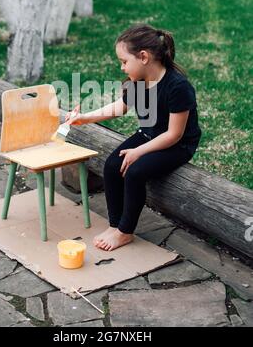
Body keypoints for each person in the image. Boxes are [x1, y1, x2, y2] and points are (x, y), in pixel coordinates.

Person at [65, 24, 202, 251]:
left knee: (135, 171)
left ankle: (125, 232)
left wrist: (139, 152)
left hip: (177, 145)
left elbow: (174, 134)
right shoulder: (138, 82)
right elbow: (120, 107)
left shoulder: (178, 87)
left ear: (144, 57)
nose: (121, 67)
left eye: (124, 61)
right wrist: (84, 118)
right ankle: (114, 224)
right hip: (148, 135)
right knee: (112, 165)